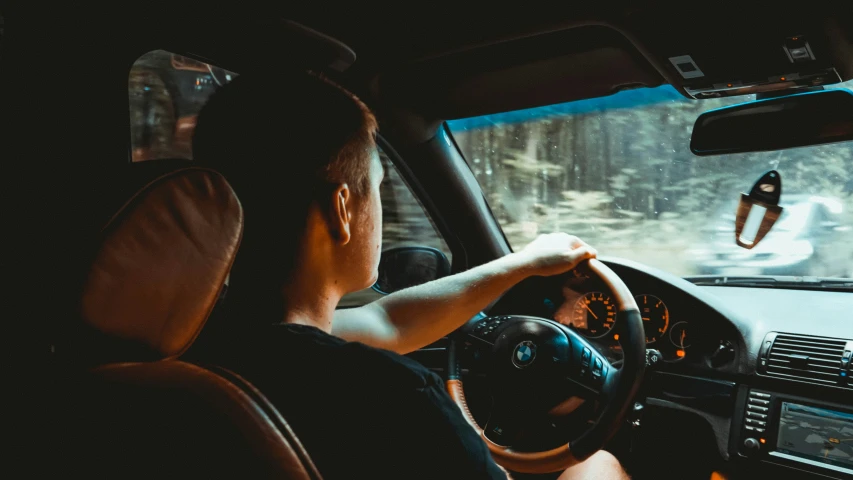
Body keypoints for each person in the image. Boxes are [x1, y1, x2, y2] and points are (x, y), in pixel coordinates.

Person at [192, 71, 629, 480]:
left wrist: (524, 263)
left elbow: (390, 322)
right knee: (599, 466)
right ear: (342, 209)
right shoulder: (391, 395)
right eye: (380, 187)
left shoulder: (201, 344)